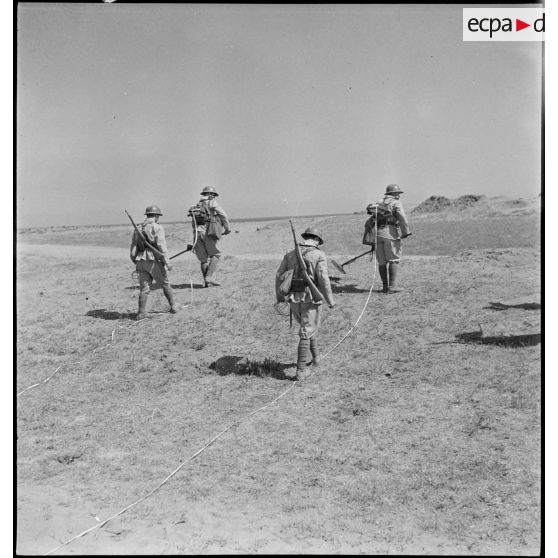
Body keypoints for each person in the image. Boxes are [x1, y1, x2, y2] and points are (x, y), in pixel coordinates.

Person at [275, 227, 335, 380]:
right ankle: (301, 370)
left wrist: (280, 296)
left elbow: (279, 275)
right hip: (310, 297)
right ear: (316, 240)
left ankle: (316, 358)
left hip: (294, 296)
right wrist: (330, 299)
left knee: (307, 327)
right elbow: (323, 278)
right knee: (307, 330)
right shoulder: (319, 254)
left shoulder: (290, 253)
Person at [130, 205, 179, 319]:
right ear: (156, 216)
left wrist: (135, 260)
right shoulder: (157, 227)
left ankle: (141, 312)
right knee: (165, 283)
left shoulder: (138, 228)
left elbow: (133, 247)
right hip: (153, 260)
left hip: (140, 260)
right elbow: (162, 246)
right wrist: (167, 263)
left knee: (144, 288)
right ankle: (174, 305)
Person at [366, 184, 412, 294]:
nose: (399, 195)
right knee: (394, 260)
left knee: (382, 262)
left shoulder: (379, 202)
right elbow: (401, 216)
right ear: (394, 193)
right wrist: (405, 232)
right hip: (390, 233)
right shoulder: (395, 202)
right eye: (398, 193)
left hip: (378, 234)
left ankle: (385, 287)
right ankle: (392, 286)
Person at [187, 186, 231, 287]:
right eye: (213, 195)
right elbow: (223, 215)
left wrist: (195, 236)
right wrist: (227, 228)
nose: (214, 197)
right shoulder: (212, 203)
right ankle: (209, 277)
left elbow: (193, 223)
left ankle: (206, 282)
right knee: (215, 255)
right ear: (210, 195)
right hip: (209, 232)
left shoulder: (197, 205)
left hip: (197, 233)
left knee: (203, 259)